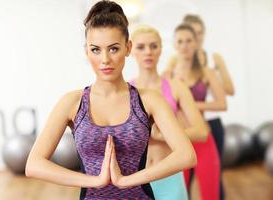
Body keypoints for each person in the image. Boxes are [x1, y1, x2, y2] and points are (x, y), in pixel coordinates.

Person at [25, 1, 197, 200]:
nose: (105, 59)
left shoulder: (149, 101)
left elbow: (187, 155)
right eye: (96, 49)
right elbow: (34, 164)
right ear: (86, 51)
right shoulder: (72, 102)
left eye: (113, 49)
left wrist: (127, 180)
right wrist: (95, 180)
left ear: (128, 47)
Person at [130, 24, 208, 200]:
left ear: (161, 49)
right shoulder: (125, 91)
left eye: (153, 46)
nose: (148, 52)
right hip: (136, 177)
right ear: (131, 49)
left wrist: (162, 135)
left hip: (169, 176)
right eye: (141, 47)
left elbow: (201, 131)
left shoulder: (176, 87)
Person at [164, 15, 235, 200]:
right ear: (174, 45)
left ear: (196, 43)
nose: (185, 45)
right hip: (180, 139)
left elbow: (222, 103)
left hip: (204, 138)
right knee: (180, 193)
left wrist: (190, 104)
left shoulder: (206, 72)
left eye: (189, 41)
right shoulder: (169, 74)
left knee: (211, 192)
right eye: (180, 41)